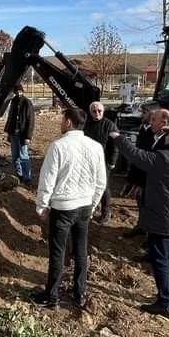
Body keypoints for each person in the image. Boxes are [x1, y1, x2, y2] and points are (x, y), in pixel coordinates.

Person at [111, 124, 169, 319]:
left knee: (160, 260)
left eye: (168, 135)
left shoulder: (162, 158)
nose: (165, 138)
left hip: (163, 221)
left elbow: (135, 155)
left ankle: (165, 302)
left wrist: (118, 138)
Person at [30, 108, 107, 310]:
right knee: (81, 251)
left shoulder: (58, 146)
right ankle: (79, 293)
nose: (60, 123)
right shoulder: (96, 146)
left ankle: (52, 296)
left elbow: (47, 179)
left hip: (63, 207)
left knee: (58, 252)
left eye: (62, 119)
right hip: (84, 207)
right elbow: (101, 181)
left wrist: (42, 205)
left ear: (69, 122)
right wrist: (93, 204)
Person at [123, 107, 169, 239]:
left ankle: (151, 235)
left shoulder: (168, 140)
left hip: (155, 182)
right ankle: (142, 226)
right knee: (142, 203)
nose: (150, 122)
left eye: (153, 120)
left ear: (164, 122)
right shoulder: (149, 133)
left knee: (153, 208)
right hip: (142, 176)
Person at [83, 101, 119, 224]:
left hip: (104, 161)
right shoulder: (86, 124)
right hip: (88, 161)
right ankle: (94, 207)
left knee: (103, 187)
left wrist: (112, 162)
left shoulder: (110, 125)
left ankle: (106, 212)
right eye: (94, 111)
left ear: (103, 111)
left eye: (99, 111)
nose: (97, 113)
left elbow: (115, 145)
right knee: (89, 184)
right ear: (90, 112)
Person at [5, 83, 35, 186]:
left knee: (23, 156)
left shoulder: (27, 103)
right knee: (15, 156)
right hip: (13, 133)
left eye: (20, 91)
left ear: (23, 91)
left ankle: (27, 178)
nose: (18, 93)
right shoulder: (13, 101)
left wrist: (28, 136)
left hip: (22, 135)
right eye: (17, 91)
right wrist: (8, 132)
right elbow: (10, 117)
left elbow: (30, 121)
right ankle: (20, 175)